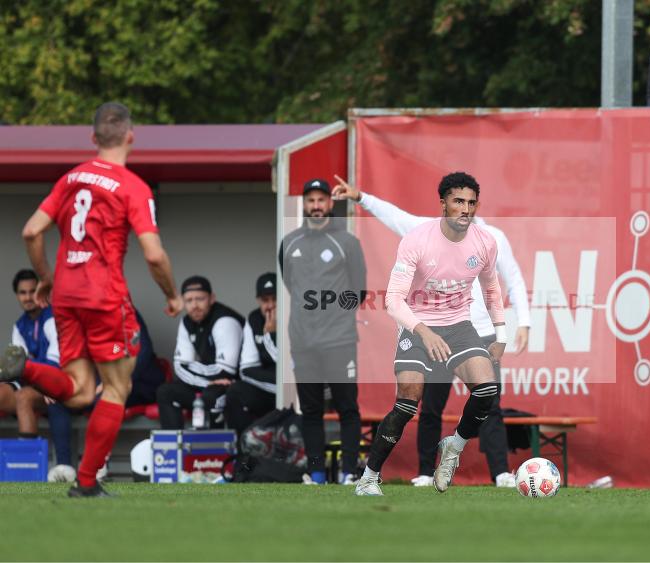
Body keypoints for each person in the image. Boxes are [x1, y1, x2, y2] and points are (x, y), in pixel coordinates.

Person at [0, 102, 181, 497]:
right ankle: (85, 484)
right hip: (104, 297)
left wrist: (46, 277)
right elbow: (154, 255)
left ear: (93, 137)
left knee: (79, 390)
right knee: (116, 388)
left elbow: (31, 231)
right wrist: (173, 295)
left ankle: (25, 367)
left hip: (66, 295)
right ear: (131, 136)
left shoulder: (70, 179)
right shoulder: (134, 187)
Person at [332, 175, 530, 487]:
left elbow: (506, 282)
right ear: (444, 204)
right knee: (418, 404)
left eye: (470, 202)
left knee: (488, 395)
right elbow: (395, 220)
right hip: (424, 329)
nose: (465, 208)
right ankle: (412, 472)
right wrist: (360, 197)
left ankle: (491, 467)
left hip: (470, 330)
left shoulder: (491, 239)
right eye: (458, 201)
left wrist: (515, 326)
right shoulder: (420, 233)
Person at [279, 178, 366, 485]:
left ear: (330, 203)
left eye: (321, 200)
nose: (316, 206)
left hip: (339, 341)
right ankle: (316, 474)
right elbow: (290, 284)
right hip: (303, 342)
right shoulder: (289, 243)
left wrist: (334, 315)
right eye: (310, 200)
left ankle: (348, 473)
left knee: (347, 408)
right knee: (311, 410)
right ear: (304, 204)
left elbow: (359, 290)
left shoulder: (347, 243)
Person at [0, 269, 72, 470]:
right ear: (17, 295)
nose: (28, 297)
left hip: (60, 387)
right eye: (22, 293)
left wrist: (40, 381)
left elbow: (56, 363)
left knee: (23, 397)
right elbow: (17, 368)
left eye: (32, 291)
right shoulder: (19, 326)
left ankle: (26, 466)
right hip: (35, 386)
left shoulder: (52, 317)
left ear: (41, 292)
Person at [156, 276, 243, 430]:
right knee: (166, 392)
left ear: (211, 298)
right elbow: (180, 367)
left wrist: (196, 372)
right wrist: (205, 382)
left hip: (235, 384)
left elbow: (226, 371)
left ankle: (218, 445)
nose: (194, 305)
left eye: (200, 299)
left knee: (211, 396)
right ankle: (174, 443)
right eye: (189, 300)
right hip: (209, 383)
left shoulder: (224, 320)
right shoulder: (186, 322)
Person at [223, 272, 277, 436]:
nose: (270, 306)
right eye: (265, 300)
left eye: (275, 299)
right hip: (269, 387)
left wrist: (273, 335)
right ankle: (247, 445)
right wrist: (275, 383)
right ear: (258, 301)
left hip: (298, 393)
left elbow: (293, 368)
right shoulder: (254, 319)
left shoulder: (297, 317)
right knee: (235, 391)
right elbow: (247, 368)